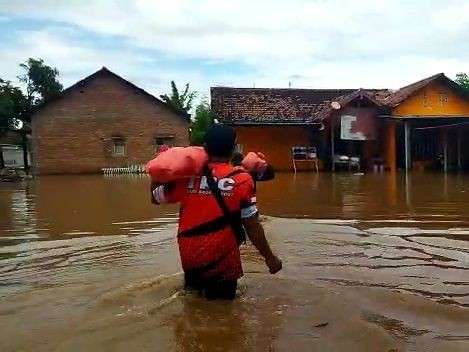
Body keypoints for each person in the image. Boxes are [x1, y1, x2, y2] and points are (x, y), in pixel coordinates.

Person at [151, 124, 282, 300]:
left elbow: (155, 198)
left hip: (191, 257)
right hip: (222, 260)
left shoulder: (187, 178)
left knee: (192, 304)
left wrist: (159, 174)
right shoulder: (242, 179)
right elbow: (252, 226)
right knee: (224, 314)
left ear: (205, 147)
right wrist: (269, 258)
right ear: (233, 148)